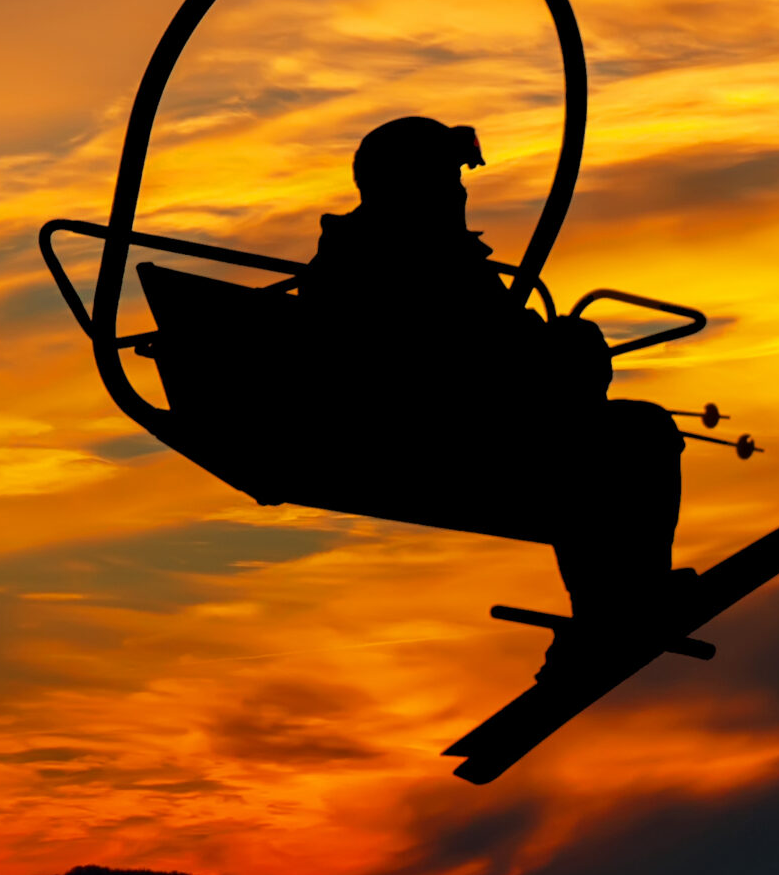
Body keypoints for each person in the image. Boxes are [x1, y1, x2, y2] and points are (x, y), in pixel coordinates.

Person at [293, 116, 687, 641]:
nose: (459, 192)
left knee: (594, 433)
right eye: (450, 178)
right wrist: (571, 352)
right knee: (637, 434)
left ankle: (614, 600)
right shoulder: (418, 260)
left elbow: (492, 348)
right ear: (416, 183)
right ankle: (619, 600)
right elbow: (487, 351)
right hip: (438, 446)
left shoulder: (371, 254)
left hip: (431, 433)